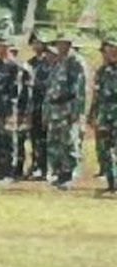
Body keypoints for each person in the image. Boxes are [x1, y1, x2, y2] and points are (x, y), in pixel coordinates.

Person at [0, 34, 32, 182]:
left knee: (9, 141)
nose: (0, 48)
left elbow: (17, 91)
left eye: (3, 45)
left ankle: (9, 173)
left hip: (9, 109)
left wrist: (18, 113)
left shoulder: (16, 66)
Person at [45, 32, 88, 189]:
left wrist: (77, 111)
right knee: (55, 142)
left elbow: (80, 90)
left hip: (68, 108)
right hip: (55, 109)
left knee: (69, 141)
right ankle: (59, 173)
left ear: (69, 44)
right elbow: (51, 88)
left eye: (62, 43)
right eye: (58, 43)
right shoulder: (58, 62)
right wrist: (47, 111)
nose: (59, 46)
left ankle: (69, 174)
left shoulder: (76, 62)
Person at [88, 34, 117, 193]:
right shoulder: (101, 71)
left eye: (113, 49)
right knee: (105, 150)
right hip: (104, 115)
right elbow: (96, 95)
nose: (109, 53)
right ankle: (112, 184)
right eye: (106, 50)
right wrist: (92, 114)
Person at [24, 29, 55, 180]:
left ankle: (47, 168)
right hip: (33, 106)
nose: (37, 45)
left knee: (46, 138)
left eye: (39, 42)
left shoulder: (50, 62)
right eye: (34, 42)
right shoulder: (29, 63)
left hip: (47, 106)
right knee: (34, 138)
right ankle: (36, 165)